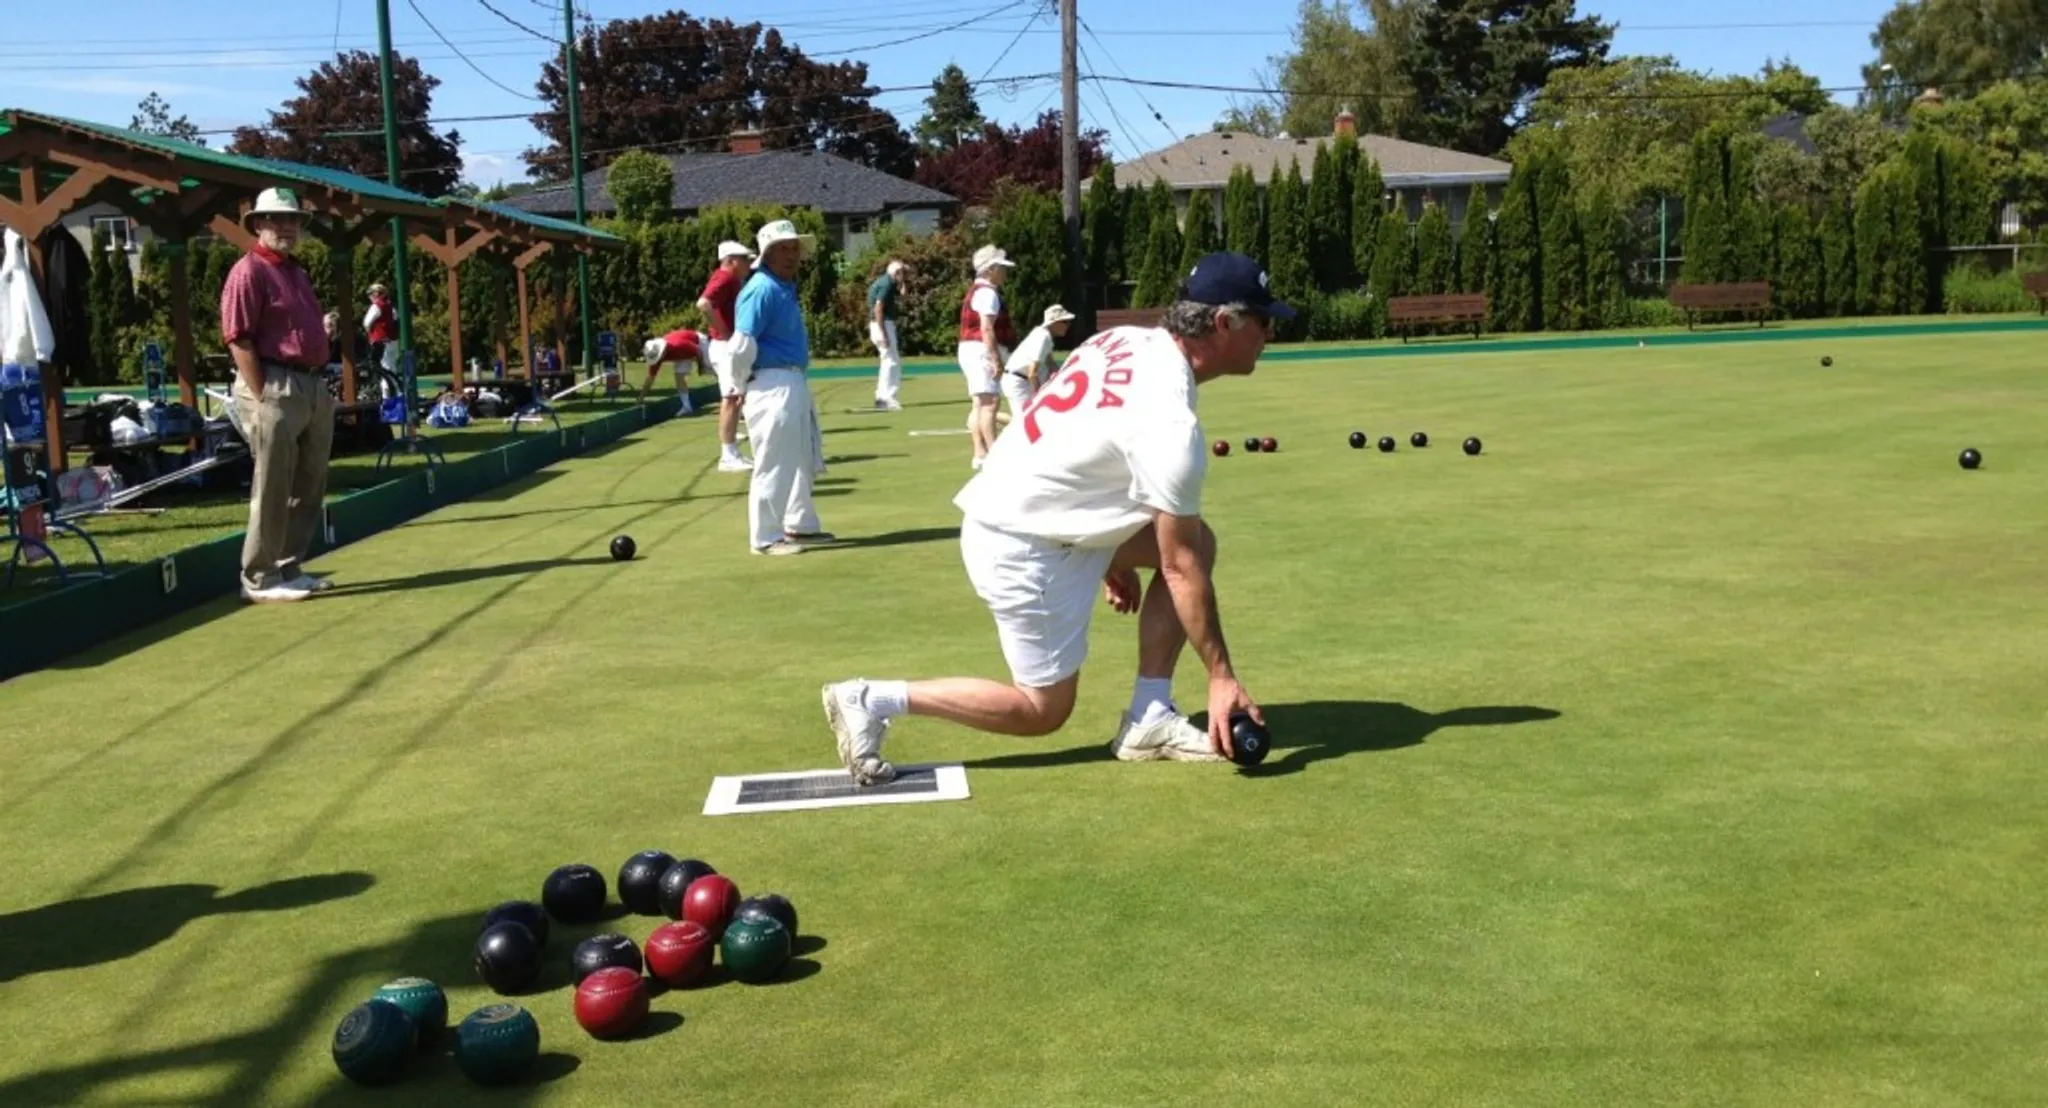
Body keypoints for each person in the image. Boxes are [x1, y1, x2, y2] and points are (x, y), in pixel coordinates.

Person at [819, 252, 1289, 785]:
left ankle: (1149, 717)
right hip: (1019, 545)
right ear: (1224, 323)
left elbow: (1081, 442)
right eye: (1263, 320)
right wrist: (1221, 676)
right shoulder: (1171, 423)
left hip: (1027, 512)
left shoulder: (1123, 340)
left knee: (1199, 541)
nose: (1270, 332)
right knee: (1042, 710)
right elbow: (1177, 568)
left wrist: (1108, 546)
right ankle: (869, 699)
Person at [221, 186, 336, 604]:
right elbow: (238, 337)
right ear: (259, 223)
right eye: (277, 219)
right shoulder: (248, 271)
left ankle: (288, 566)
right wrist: (264, 392)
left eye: (293, 220)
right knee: (272, 481)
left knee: (309, 481)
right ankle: (259, 578)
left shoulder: (295, 271)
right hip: (273, 382)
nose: (287, 227)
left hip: (310, 383)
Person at [730, 220, 833, 557]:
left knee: (802, 456)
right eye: (783, 250)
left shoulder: (782, 287)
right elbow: (742, 344)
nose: (792, 256)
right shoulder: (762, 288)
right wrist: (739, 383)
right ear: (767, 254)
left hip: (790, 379)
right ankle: (765, 537)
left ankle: (798, 523)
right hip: (771, 382)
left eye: (794, 249)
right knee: (775, 460)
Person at [696, 240, 754, 472]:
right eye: (743, 258)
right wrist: (727, 334)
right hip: (724, 346)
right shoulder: (725, 277)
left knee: (736, 397)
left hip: (724, 345)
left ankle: (732, 453)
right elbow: (703, 303)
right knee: (731, 398)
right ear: (730, 260)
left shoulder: (732, 278)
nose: (747, 262)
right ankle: (728, 456)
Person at [956, 244, 1016, 468]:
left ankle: (980, 453)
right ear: (990, 269)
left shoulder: (979, 290)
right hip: (980, 350)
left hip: (971, 349)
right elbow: (987, 329)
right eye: (1001, 267)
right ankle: (994, 454)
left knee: (980, 404)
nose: (1005, 272)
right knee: (990, 403)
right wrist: (995, 359)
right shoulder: (987, 293)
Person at [999, 303, 1075, 420]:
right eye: (1065, 322)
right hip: (1019, 382)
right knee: (1025, 422)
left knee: (1031, 420)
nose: (1068, 325)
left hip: (1021, 381)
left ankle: (989, 416)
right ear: (1054, 322)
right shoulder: (1043, 337)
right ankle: (989, 416)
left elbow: (1050, 363)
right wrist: (1038, 396)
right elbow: (1032, 372)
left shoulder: (1044, 335)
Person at [867, 259, 907, 411]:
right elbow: (878, 309)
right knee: (891, 361)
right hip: (882, 324)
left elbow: (902, 294)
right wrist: (884, 334)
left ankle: (881, 396)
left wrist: (903, 281)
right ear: (896, 273)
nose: (904, 275)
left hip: (878, 325)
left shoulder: (887, 282)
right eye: (902, 272)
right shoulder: (887, 284)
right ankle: (887, 397)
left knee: (887, 361)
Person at [639, 328, 709, 414]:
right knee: (678, 376)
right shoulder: (655, 355)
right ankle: (687, 407)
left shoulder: (678, 345)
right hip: (683, 352)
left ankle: (727, 396)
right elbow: (650, 378)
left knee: (711, 368)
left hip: (699, 342)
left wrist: (700, 367)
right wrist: (641, 398)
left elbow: (698, 351)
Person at [362, 283, 398, 378]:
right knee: (391, 367)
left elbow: (366, 323)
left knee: (382, 368)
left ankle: (386, 392)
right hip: (392, 340)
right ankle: (394, 390)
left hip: (379, 341)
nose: (369, 297)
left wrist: (371, 333)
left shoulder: (376, 306)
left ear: (376, 294)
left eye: (370, 294)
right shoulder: (391, 306)